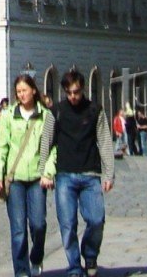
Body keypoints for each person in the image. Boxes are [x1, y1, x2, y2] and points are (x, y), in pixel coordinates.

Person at [42, 68, 114, 277]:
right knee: (68, 224)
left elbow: (105, 142)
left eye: (76, 92)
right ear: (64, 91)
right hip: (65, 175)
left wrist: (109, 174)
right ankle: (74, 266)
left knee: (96, 220)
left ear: (82, 89)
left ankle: (90, 255)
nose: (73, 97)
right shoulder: (56, 111)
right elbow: (45, 142)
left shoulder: (95, 110)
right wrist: (44, 172)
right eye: (69, 92)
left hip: (90, 174)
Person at [0, 73, 53, 277]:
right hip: (15, 179)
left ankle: (36, 258)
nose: (21, 94)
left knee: (38, 224)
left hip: (37, 178)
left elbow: (52, 148)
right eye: (18, 91)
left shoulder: (45, 116)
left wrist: (48, 173)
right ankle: (22, 271)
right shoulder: (9, 115)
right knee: (18, 230)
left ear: (33, 90)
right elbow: (0, 147)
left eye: (24, 90)